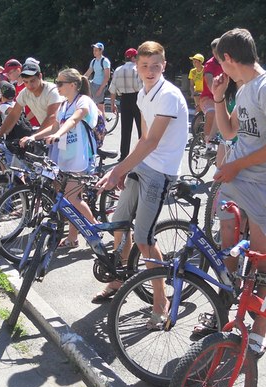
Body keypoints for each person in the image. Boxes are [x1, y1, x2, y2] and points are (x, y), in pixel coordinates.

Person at [207, 28, 266, 356]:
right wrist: (218, 97)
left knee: (262, 261)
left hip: (261, 184)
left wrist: (237, 166)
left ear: (228, 58)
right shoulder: (242, 89)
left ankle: (260, 326)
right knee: (227, 250)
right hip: (235, 182)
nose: (220, 70)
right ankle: (223, 314)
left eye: (219, 63)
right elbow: (230, 132)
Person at [94, 41, 189, 330]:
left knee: (146, 239)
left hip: (161, 172)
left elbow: (152, 141)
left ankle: (160, 303)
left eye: (156, 65)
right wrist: (129, 168)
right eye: (145, 66)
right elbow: (143, 137)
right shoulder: (143, 94)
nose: (150, 70)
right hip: (145, 165)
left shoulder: (168, 95)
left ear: (164, 65)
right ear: (137, 66)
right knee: (119, 223)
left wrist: (117, 170)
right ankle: (119, 278)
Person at [24, 68, 100, 247]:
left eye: (60, 83)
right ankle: (73, 238)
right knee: (69, 200)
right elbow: (54, 126)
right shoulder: (64, 104)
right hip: (67, 157)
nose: (57, 86)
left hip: (81, 157)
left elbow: (75, 119)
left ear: (73, 85)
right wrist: (34, 136)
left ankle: (96, 228)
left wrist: (59, 134)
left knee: (72, 198)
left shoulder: (84, 101)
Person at [0, 61, 64, 145]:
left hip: (64, 134)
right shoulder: (25, 93)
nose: (29, 85)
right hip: (48, 136)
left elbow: (52, 117)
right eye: (26, 82)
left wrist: (34, 136)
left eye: (32, 81)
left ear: (40, 76)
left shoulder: (52, 90)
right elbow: (14, 114)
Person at [108, 47, 143, 161]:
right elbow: (141, 87)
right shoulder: (137, 69)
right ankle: (141, 155)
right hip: (137, 98)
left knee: (125, 129)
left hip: (124, 99)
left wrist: (113, 104)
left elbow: (112, 89)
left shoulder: (118, 70)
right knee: (141, 129)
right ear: (134, 57)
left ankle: (123, 155)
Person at [200, 39, 224, 152]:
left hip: (224, 96)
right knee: (212, 113)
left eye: (218, 52)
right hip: (208, 97)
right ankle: (208, 143)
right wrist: (216, 94)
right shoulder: (209, 64)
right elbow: (209, 82)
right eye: (214, 52)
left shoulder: (228, 62)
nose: (216, 55)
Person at [84, 42, 111, 116]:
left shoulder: (105, 61)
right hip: (93, 83)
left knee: (100, 107)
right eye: (93, 50)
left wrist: (100, 89)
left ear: (101, 51)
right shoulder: (93, 61)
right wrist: (80, 79)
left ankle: (102, 126)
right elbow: (87, 73)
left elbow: (107, 77)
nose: (94, 52)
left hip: (100, 85)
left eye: (96, 50)